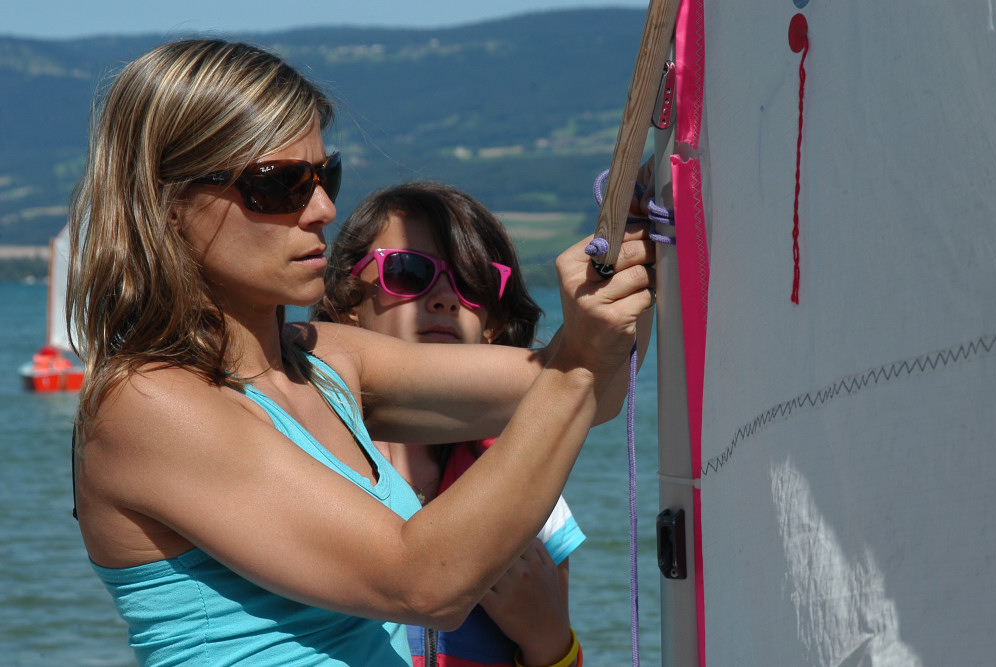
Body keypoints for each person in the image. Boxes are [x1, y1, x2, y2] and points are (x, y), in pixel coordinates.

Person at [68, 38, 654, 667]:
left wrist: (636, 244)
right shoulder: (148, 405)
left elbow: (596, 391)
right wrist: (578, 361)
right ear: (166, 206)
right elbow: (424, 584)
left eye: (326, 177)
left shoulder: (327, 362)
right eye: (278, 185)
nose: (322, 210)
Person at [314, 181, 583, 666]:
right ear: (347, 306)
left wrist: (550, 640)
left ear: (493, 324)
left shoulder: (530, 489)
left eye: (473, 282)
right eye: (408, 272)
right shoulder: (305, 462)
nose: (444, 298)